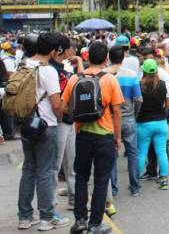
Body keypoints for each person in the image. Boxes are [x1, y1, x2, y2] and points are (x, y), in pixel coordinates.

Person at [63, 41, 123, 234]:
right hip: (104, 135)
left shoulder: (75, 79)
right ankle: (95, 224)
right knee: (101, 180)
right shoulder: (110, 80)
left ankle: (80, 221)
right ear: (106, 59)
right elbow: (117, 112)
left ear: (87, 57)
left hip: (82, 136)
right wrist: (118, 137)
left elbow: (65, 108)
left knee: (81, 177)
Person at [17, 33, 70, 231]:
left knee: (29, 169)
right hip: (46, 126)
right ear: (53, 51)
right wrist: (58, 118)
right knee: (45, 171)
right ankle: (47, 217)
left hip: (26, 124)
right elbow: (56, 104)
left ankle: (25, 216)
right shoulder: (48, 71)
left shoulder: (24, 64)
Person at [51, 35, 83, 211]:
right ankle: (51, 204)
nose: (75, 51)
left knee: (72, 163)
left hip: (70, 121)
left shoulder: (66, 67)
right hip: (60, 121)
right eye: (73, 48)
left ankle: (73, 198)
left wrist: (78, 62)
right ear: (63, 50)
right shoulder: (52, 70)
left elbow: (80, 83)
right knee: (55, 165)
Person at [105, 45, 142, 197]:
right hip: (128, 118)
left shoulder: (105, 74)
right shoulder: (132, 75)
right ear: (123, 58)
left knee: (112, 155)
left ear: (109, 57)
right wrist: (134, 114)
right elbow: (138, 99)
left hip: (110, 119)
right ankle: (135, 187)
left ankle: (113, 190)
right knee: (132, 153)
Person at [136, 59, 169, 190]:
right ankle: (164, 181)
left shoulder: (139, 86)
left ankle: (136, 182)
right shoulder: (163, 85)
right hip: (161, 122)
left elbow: (137, 104)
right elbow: (168, 104)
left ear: (144, 72)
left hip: (144, 124)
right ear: (156, 71)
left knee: (141, 153)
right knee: (161, 152)